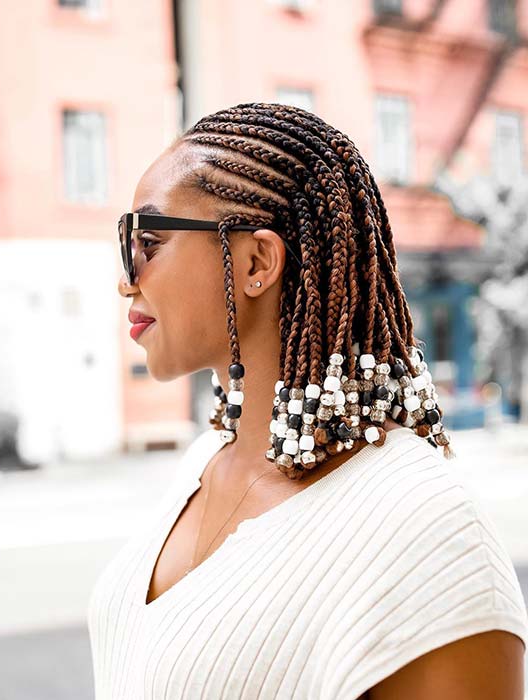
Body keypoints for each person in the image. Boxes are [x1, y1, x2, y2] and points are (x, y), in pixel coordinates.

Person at [87, 102, 527, 699]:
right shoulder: (204, 463)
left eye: (150, 241)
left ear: (255, 262)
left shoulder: (424, 527)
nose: (126, 276)